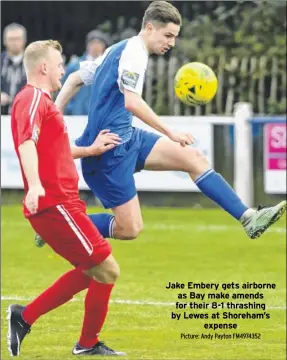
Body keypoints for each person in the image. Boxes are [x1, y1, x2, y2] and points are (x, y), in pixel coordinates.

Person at [55, 0, 286, 242]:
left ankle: (249, 218)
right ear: (150, 27)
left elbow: (73, 79)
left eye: (175, 37)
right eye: (168, 35)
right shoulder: (134, 53)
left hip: (127, 138)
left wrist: (54, 114)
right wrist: (171, 132)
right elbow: (131, 102)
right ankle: (62, 225)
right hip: (108, 150)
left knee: (194, 158)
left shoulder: (118, 49)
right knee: (129, 228)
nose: (171, 43)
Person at [8, 39, 125, 357]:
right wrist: (34, 186)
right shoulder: (31, 98)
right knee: (107, 269)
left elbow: (55, 149)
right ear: (43, 67)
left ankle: (25, 317)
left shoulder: (44, 103)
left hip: (64, 203)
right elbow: (26, 143)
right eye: (60, 64)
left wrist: (89, 149)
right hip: (55, 204)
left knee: (94, 271)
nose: (64, 69)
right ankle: (85, 344)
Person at [62, 30, 110, 115]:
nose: (95, 46)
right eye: (92, 43)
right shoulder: (75, 66)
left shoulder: (108, 67)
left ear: (104, 46)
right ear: (87, 45)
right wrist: (70, 108)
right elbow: (63, 89)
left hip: (100, 116)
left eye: (99, 43)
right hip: (77, 115)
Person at [1, 23, 27, 114]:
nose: (14, 42)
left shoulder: (33, 63)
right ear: (4, 41)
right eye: (11, 39)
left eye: (18, 39)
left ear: (24, 40)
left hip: (25, 115)